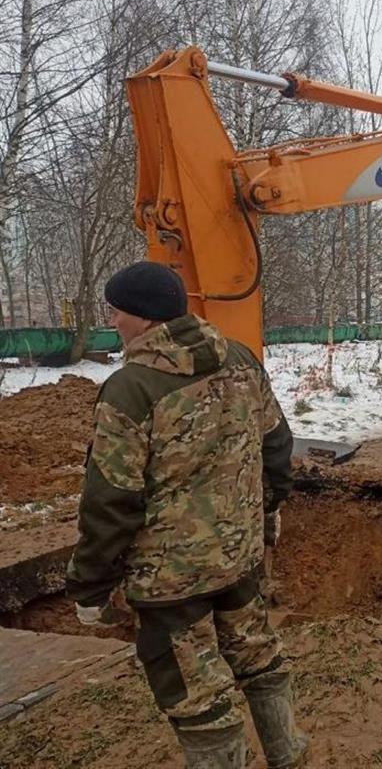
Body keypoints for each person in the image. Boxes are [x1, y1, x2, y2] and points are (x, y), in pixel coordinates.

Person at [66, 261, 308, 769]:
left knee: (195, 694)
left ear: (144, 317)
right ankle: (288, 752)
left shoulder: (131, 388)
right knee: (256, 651)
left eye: (116, 311)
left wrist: (90, 585)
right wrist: (266, 512)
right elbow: (276, 445)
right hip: (239, 558)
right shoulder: (240, 360)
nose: (113, 321)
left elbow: (111, 500)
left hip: (170, 583)